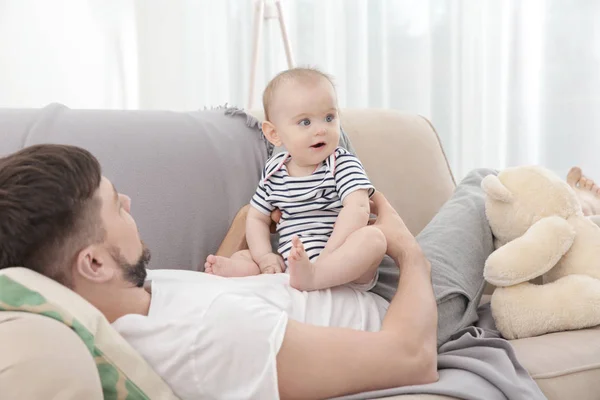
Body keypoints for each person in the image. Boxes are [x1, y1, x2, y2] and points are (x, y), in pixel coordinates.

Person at [2, 144, 599, 399]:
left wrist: (252, 247)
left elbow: (244, 293)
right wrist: (404, 249)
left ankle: (573, 215)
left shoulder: (136, 303)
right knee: (483, 183)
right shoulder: (207, 337)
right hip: (406, 315)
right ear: (93, 262)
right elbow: (409, 358)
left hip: (338, 279)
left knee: (500, 213)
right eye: (113, 204)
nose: (129, 203)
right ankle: (583, 209)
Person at [204, 68, 385, 292]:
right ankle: (248, 271)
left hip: (340, 262)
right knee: (246, 254)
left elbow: (358, 207)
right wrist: (264, 257)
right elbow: (257, 218)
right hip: (292, 262)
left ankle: (317, 276)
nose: (321, 129)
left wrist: (327, 257)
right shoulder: (274, 170)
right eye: (305, 122)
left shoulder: (341, 162)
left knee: (373, 239)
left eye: (329, 118)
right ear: (274, 134)